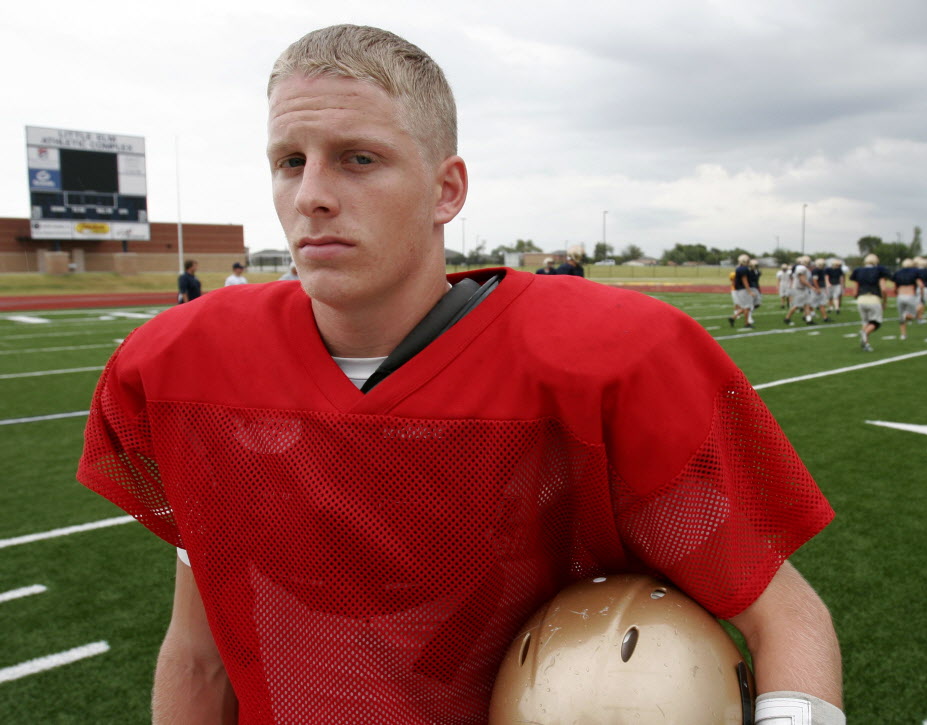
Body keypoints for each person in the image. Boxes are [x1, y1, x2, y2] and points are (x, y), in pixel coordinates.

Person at [77, 24, 843, 724]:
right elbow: (197, 654)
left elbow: (784, 616)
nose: (310, 194)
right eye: (290, 161)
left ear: (447, 190)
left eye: (358, 158)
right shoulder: (187, 370)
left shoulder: (607, 363)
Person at [850, 253, 889, 351]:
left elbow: (855, 290)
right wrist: (884, 301)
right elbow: (883, 289)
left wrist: (856, 296)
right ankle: (865, 334)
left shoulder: (858, 271)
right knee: (876, 322)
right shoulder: (879, 271)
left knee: (865, 322)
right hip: (873, 298)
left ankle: (866, 344)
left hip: (861, 299)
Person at [891, 258, 922, 340]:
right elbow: (921, 285)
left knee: (901, 318)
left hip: (900, 296)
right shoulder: (915, 272)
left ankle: (903, 335)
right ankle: (906, 316)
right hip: (910, 295)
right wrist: (921, 295)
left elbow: (895, 288)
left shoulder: (897, 273)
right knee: (913, 315)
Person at [783, 255, 815, 325]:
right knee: (797, 305)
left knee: (807, 304)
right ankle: (787, 318)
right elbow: (802, 279)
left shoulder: (805, 268)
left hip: (803, 288)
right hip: (799, 289)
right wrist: (811, 287)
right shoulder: (801, 268)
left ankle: (809, 320)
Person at [728, 253, 755, 328]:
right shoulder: (744, 269)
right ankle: (746, 323)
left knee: (744, 307)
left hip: (739, 290)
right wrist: (749, 291)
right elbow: (745, 280)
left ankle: (733, 317)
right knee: (747, 307)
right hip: (743, 290)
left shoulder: (738, 268)